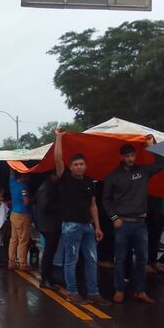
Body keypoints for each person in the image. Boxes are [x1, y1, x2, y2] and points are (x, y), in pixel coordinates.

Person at [102, 138, 164, 304]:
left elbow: (162, 164)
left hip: (140, 223)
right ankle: (119, 290)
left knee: (143, 259)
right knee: (120, 258)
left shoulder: (143, 171)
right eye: (127, 156)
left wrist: (153, 147)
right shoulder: (113, 176)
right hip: (122, 223)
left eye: (132, 155)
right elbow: (106, 200)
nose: (130, 158)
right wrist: (114, 218)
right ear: (121, 157)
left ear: (135, 155)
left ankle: (140, 290)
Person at [54, 129, 110, 306]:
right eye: (75, 164)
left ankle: (93, 293)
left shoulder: (89, 182)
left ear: (85, 166)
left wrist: (98, 226)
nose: (78, 166)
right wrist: (59, 137)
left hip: (88, 226)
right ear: (71, 167)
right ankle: (72, 292)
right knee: (72, 260)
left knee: (92, 260)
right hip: (71, 226)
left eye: (81, 164)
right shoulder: (66, 179)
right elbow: (57, 159)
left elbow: (93, 205)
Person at [34, 172, 61, 285]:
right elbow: (46, 207)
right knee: (49, 251)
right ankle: (46, 277)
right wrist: (61, 206)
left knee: (49, 250)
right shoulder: (47, 188)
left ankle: (46, 276)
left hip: (47, 223)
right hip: (49, 224)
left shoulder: (46, 186)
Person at [8, 171, 32, 270]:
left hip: (13, 214)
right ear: (23, 176)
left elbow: (11, 172)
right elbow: (26, 202)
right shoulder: (23, 187)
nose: (28, 177)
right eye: (26, 175)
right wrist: (33, 198)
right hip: (22, 214)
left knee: (14, 239)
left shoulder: (12, 182)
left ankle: (11, 262)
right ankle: (22, 263)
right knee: (23, 239)